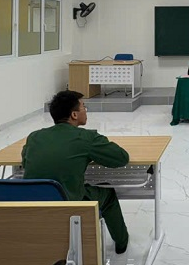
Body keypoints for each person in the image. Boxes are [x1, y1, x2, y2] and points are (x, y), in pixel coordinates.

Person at [22, 90, 130, 254]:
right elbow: (121, 158)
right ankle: (122, 243)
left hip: (33, 205)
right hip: (70, 205)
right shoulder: (86, 137)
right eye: (84, 107)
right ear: (74, 115)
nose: (86, 111)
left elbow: (25, 163)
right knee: (108, 194)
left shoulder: (34, 137)